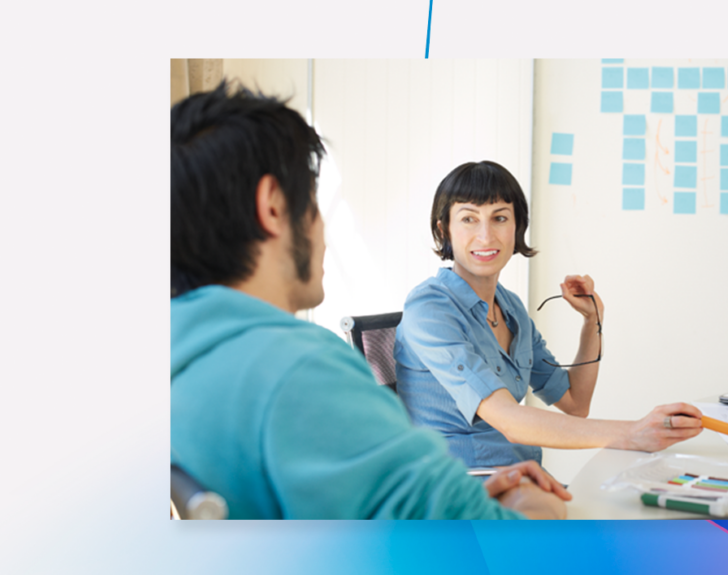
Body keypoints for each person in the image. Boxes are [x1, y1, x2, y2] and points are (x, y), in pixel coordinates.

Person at [170, 81, 570, 519]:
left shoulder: (180, 357)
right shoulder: (301, 370)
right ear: (273, 207)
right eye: (315, 203)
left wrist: (459, 493)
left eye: (500, 219)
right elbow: (503, 545)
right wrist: (534, 501)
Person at [394, 161, 704, 469]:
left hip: (521, 479)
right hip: (462, 490)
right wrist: (633, 433)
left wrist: (592, 320)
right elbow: (510, 421)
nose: (486, 236)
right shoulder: (429, 309)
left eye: (499, 218)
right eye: (469, 219)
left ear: (517, 227)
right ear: (443, 229)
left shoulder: (510, 307)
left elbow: (575, 402)